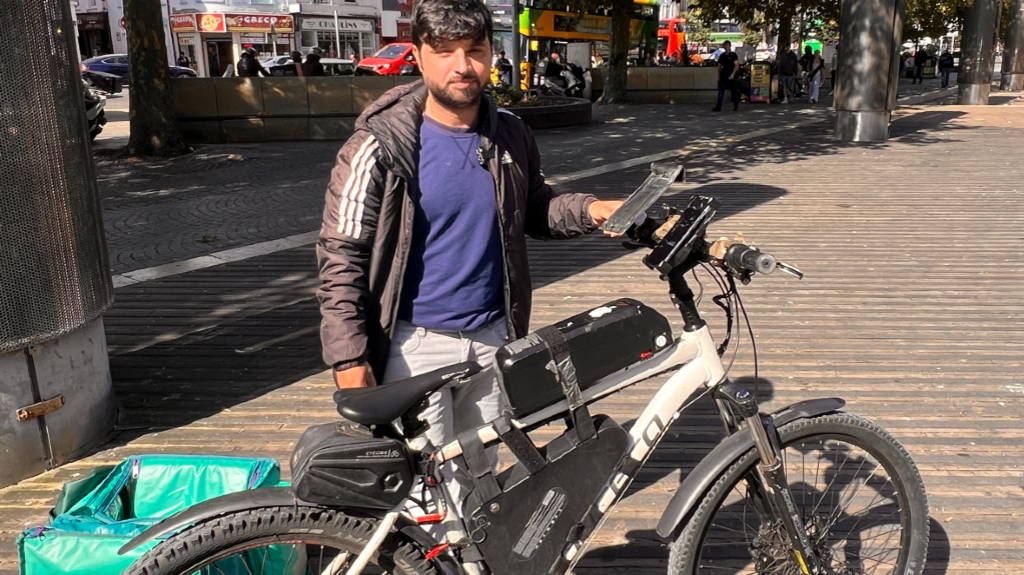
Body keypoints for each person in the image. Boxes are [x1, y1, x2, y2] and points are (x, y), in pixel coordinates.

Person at [318, 0, 624, 510]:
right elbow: (340, 258)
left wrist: (594, 209)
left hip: (491, 339)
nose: (462, 65)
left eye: (475, 50)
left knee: (479, 482)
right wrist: (350, 359)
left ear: (491, 55)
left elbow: (534, 209)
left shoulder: (509, 133)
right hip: (412, 345)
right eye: (444, 52)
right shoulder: (380, 145)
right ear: (418, 55)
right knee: (424, 493)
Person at [713, 40, 740, 112]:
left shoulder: (733, 55)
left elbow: (736, 65)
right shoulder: (722, 56)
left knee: (733, 91)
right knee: (721, 92)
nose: (726, 46)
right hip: (723, 75)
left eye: (727, 45)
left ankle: (736, 105)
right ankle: (718, 107)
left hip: (731, 76)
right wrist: (718, 77)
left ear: (729, 46)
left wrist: (733, 74)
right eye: (725, 45)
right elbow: (719, 67)